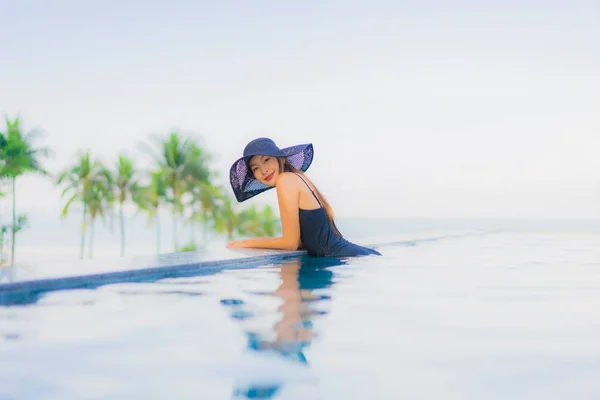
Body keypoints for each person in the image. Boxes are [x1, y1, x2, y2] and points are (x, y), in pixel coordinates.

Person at [227, 137, 381, 257]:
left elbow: (290, 243)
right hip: (352, 256)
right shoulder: (297, 177)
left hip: (348, 257)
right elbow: (301, 241)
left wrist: (246, 243)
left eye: (266, 160)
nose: (264, 170)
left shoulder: (285, 180)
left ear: (280, 159)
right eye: (256, 168)